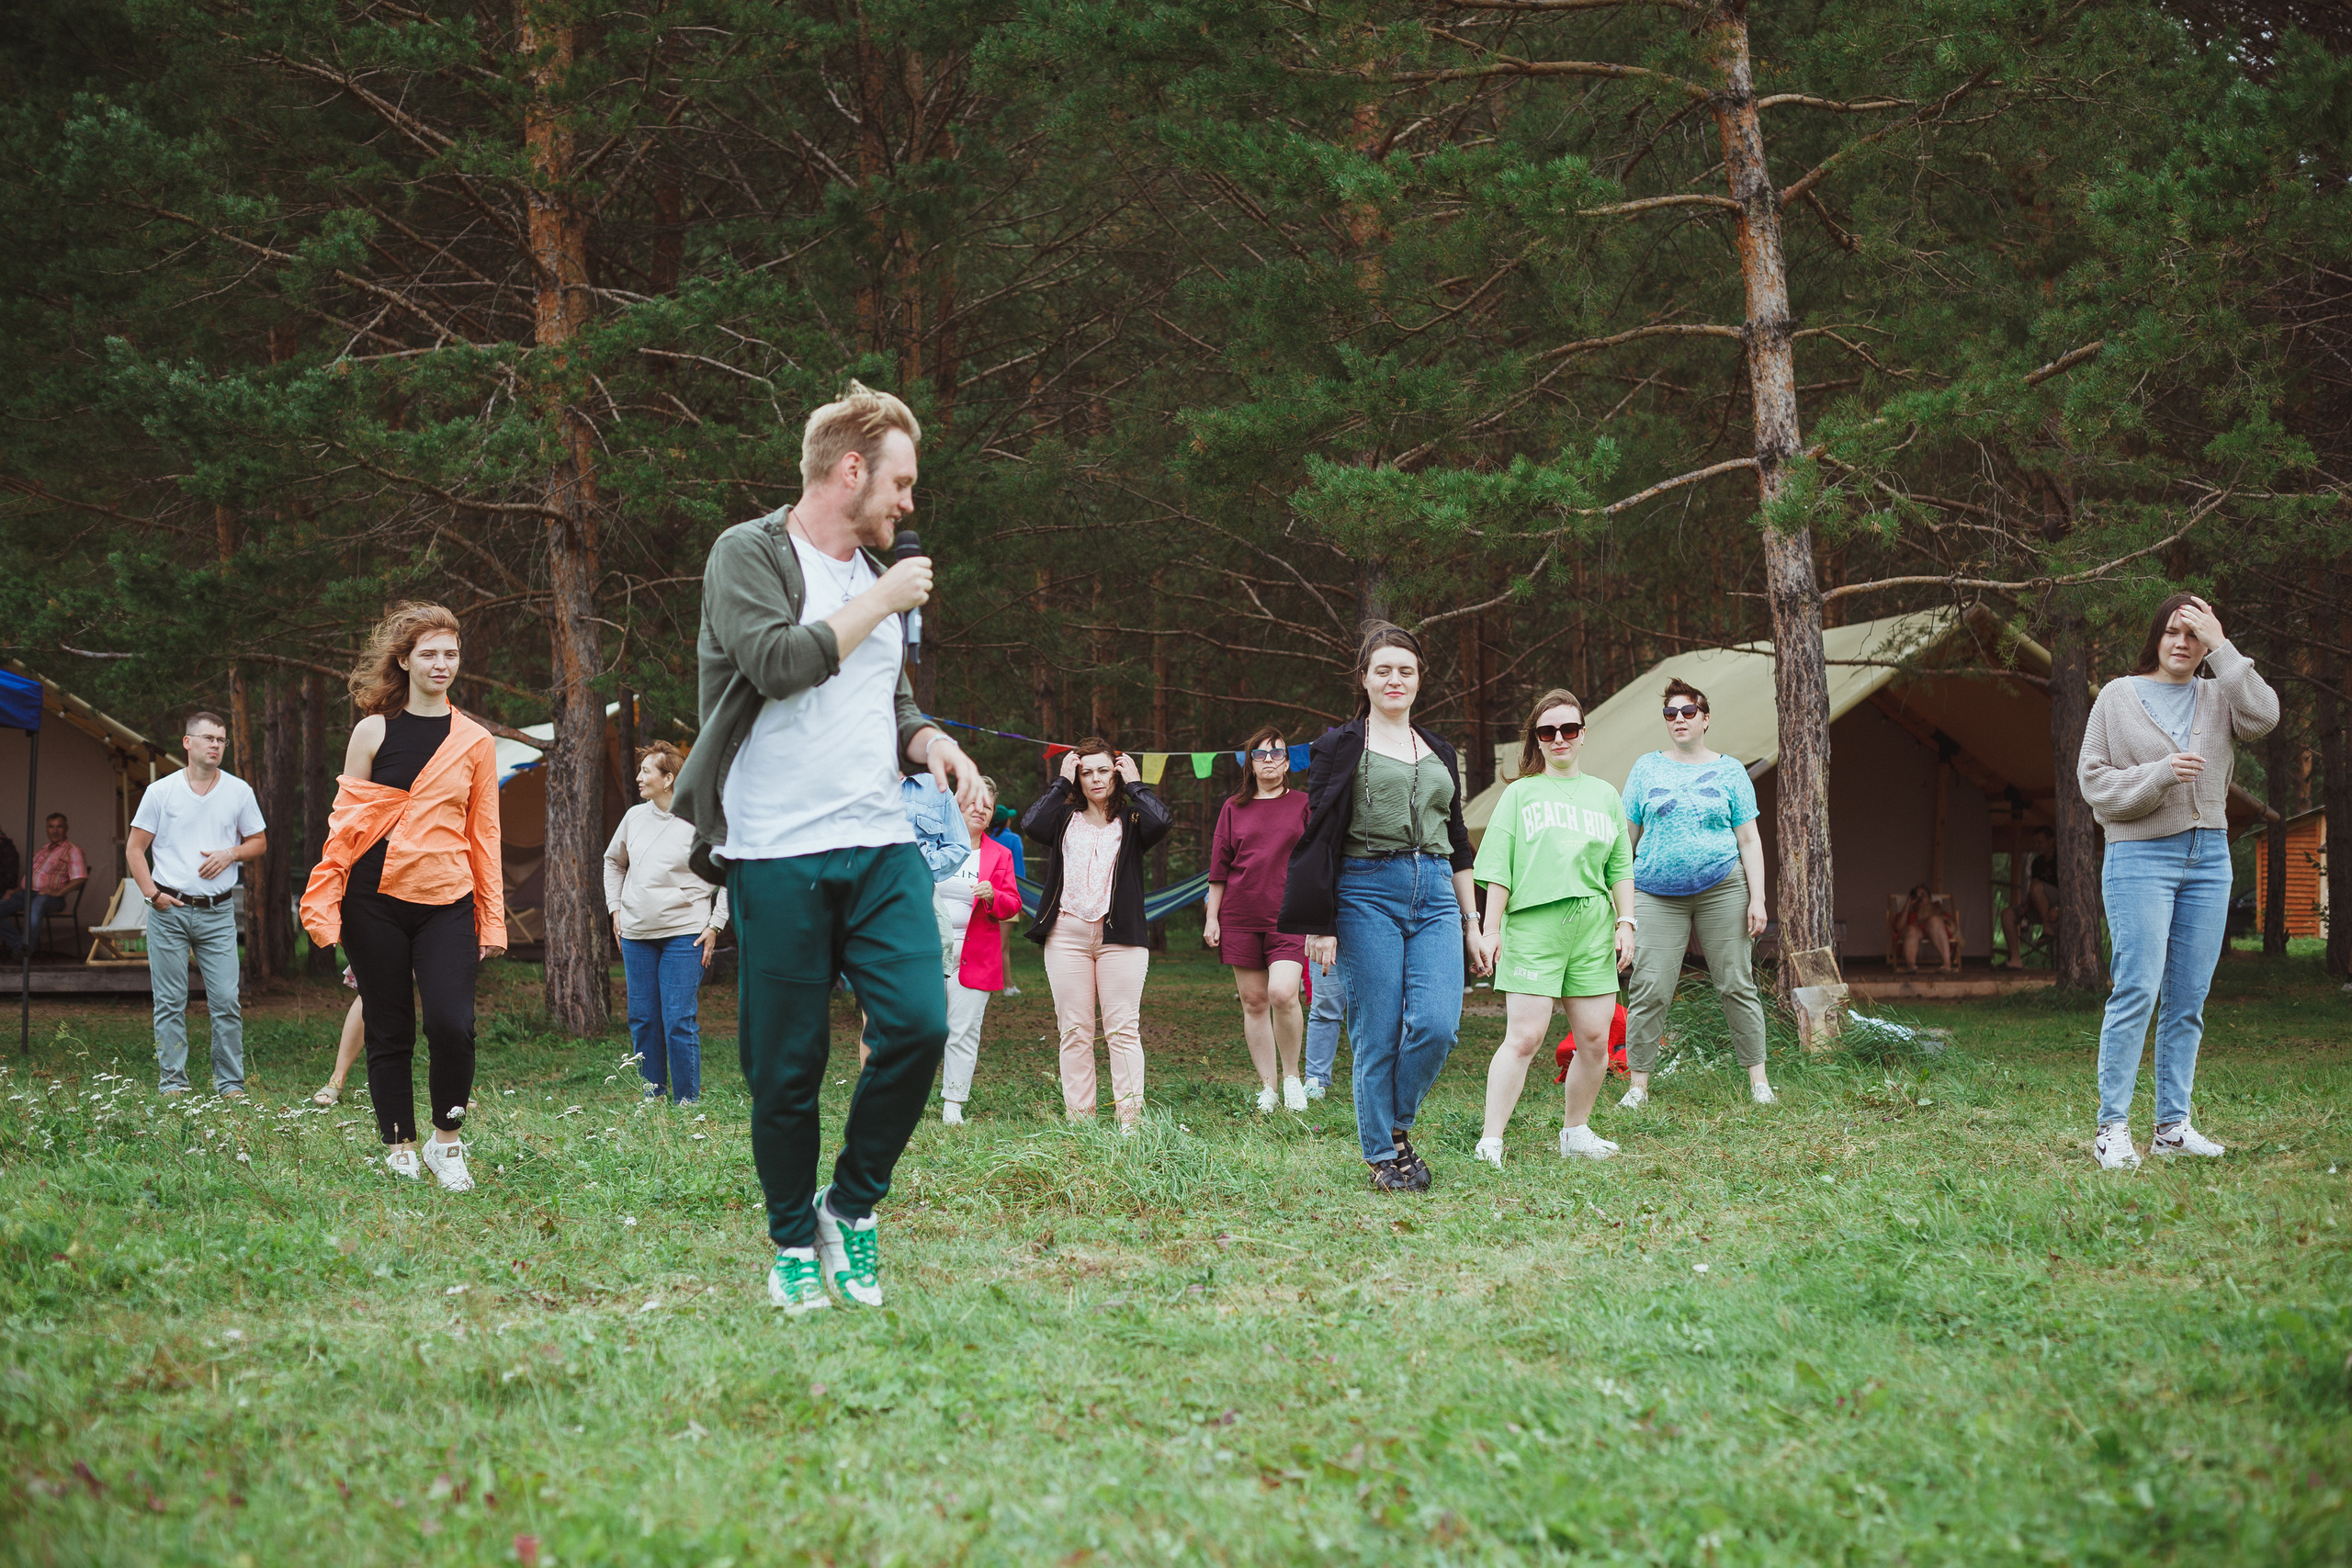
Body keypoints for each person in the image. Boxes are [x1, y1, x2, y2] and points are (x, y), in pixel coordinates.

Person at [669, 380, 982, 1314]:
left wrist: (932, 743)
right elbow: (777, 663)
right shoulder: (747, 555)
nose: (909, 503)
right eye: (902, 482)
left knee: (921, 1023)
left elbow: (883, 698)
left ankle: (850, 1206)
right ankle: (789, 1241)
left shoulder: (872, 584)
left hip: (879, 842)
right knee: (787, 1065)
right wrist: (884, 599)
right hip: (776, 854)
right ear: (852, 470)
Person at [300, 602, 506, 1192]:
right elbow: (347, 828)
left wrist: (492, 921)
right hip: (373, 901)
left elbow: (484, 834)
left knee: (451, 1023)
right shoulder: (372, 731)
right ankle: (400, 1146)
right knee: (389, 1028)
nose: (442, 664)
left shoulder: (475, 741)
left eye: (451, 653)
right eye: (430, 653)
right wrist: (329, 900)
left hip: (447, 900)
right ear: (404, 659)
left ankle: (448, 1142)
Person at [1280, 623, 1487, 1192]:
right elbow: (1317, 832)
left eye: (1406, 670)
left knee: (1438, 1026)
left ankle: (1394, 1125)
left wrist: (1473, 923)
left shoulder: (1440, 749)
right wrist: (1318, 923)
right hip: (1365, 889)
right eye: (1383, 670)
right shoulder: (1338, 745)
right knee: (1377, 1031)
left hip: (1439, 893)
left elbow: (1460, 841)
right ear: (1365, 679)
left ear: (1419, 680)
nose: (1395, 679)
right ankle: (1382, 1153)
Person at [2078, 592, 2278, 1169]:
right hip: (2140, 857)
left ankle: (2171, 1127)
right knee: (2136, 988)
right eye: (2173, 631)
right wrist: (2161, 774)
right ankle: (2112, 1128)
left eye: (2194, 635)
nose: (2182, 643)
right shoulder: (2117, 697)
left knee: (2188, 998)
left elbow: (2264, 716)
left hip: (2209, 856)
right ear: (2155, 637)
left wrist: (2225, 648)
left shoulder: (2219, 695)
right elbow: (2095, 785)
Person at [1471, 690, 1635, 1166]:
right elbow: (1498, 868)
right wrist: (1491, 929)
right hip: (1534, 925)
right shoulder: (1520, 794)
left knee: (1594, 1039)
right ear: (1537, 740)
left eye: (1569, 729)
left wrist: (1626, 922)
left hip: (1592, 926)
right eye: (1548, 731)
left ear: (1583, 734)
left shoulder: (1605, 794)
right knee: (1524, 1037)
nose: (1559, 738)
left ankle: (1576, 1132)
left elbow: (1620, 868)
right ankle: (1491, 1140)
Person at [1619, 678, 1775, 1107]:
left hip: (1722, 887)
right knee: (1650, 986)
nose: (1679, 720)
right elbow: (1625, 840)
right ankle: (1638, 1087)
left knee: (1735, 983)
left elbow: (1749, 840)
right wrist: (1620, 906)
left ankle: (1759, 1083)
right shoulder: (1645, 768)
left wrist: (1758, 898)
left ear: (1705, 720)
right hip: (1654, 891)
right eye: (1671, 714)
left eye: (1688, 713)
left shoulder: (1730, 771)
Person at [1019, 739, 1175, 1129]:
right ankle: (1081, 1122)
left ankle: (1130, 1124)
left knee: (1122, 1030)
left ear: (1116, 772)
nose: (1095, 779)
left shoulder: (1133, 819)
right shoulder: (1063, 817)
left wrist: (1137, 785)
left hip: (1119, 937)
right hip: (1067, 936)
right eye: (1086, 772)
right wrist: (1060, 783)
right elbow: (1031, 824)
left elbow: (1163, 821)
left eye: (1103, 770)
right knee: (1074, 1031)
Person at [126, 714, 267, 1098]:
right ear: (187, 743)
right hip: (168, 910)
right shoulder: (161, 791)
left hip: (218, 912)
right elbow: (135, 850)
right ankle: (173, 1083)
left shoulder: (238, 791)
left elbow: (259, 842)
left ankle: (231, 1084)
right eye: (208, 738)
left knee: (225, 1000)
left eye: (222, 740)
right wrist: (152, 895)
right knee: (170, 1002)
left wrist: (231, 853)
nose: (216, 745)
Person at [605, 741, 729, 1106]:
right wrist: (615, 908)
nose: (639, 777)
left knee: (678, 1019)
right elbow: (614, 862)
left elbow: (731, 872)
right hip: (637, 934)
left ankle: (687, 1103)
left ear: (669, 778)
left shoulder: (701, 818)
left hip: (685, 933)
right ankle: (652, 1098)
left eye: (647, 771)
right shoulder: (634, 817)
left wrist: (716, 923)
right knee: (643, 1019)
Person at [1204, 726, 1311, 1112]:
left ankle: (1292, 1077)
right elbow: (1220, 867)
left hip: (1289, 917)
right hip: (1239, 915)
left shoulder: (1303, 804)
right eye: (1261, 755)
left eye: (1277, 754)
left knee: (1282, 993)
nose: (1269, 761)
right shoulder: (1234, 807)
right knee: (1253, 1001)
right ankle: (1267, 1087)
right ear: (1250, 763)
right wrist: (1212, 917)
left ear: (1287, 762)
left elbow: (1316, 864)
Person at [938, 777, 1023, 1124]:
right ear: (957, 804)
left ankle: (952, 1105)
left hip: (976, 957)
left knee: (963, 1030)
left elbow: (1013, 904)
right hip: (927, 953)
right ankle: (904, 1099)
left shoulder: (999, 854)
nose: (980, 810)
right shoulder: (933, 846)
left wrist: (994, 896)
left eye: (987, 807)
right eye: (974, 803)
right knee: (920, 1028)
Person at [0, 813, 88, 960]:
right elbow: (32, 878)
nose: (55, 831)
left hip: (51, 898)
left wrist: (58, 892)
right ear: (46, 829)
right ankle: (19, 947)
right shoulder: (42, 850)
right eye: (51, 827)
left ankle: (24, 951)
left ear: (66, 828)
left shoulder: (72, 850)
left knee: (37, 905)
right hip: (27, 894)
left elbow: (80, 878)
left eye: (59, 827)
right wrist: (15, 890)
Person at [1999, 825, 2058, 969]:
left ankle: (2048, 928)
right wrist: (2025, 908)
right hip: (2042, 907)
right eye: (2035, 842)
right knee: (2007, 914)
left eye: (2040, 842)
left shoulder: (2062, 859)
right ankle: (2015, 959)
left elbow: (2072, 891)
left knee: (2037, 886)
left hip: (2061, 908)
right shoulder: (2037, 862)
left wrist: (2058, 908)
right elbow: (2032, 890)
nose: (2036, 846)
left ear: (2051, 841)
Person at [1301, 961, 1345, 1100]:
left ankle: (1380, 1081)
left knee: (1376, 1011)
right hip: (1327, 941)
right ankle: (1316, 1080)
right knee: (1324, 1009)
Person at [1891, 885, 1956, 975]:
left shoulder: (1938, 912)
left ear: (1929, 899)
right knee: (1911, 930)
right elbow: (1898, 927)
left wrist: (1943, 918)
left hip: (1932, 930)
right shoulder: (1909, 914)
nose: (1920, 897)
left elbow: (1953, 928)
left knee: (1934, 920)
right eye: (1918, 895)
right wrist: (1909, 902)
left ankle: (1947, 965)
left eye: (1923, 894)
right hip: (1914, 932)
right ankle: (1911, 965)